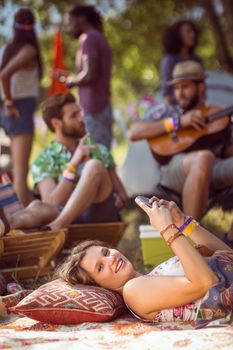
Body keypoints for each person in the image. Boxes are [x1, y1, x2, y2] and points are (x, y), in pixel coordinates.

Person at [57, 196, 233, 328]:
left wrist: (182, 221)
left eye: (106, 252)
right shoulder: (133, 291)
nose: (111, 259)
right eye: (100, 267)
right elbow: (207, 282)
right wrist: (166, 228)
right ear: (99, 286)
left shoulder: (150, 278)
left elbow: (227, 255)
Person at [0, 92, 127, 233]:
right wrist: (74, 163)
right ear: (56, 123)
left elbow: (122, 193)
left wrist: (120, 198)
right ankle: (8, 222)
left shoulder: (99, 149)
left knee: (94, 165)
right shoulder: (44, 160)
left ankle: (58, 225)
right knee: (38, 205)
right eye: (74, 115)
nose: (81, 118)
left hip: (98, 213)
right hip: (68, 218)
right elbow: (52, 203)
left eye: (80, 113)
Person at [128, 60, 233, 221]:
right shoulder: (167, 111)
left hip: (214, 170)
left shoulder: (216, 113)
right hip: (174, 171)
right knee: (203, 157)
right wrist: (178, 122)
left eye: (185, 87)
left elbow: (227, 151)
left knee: (207, 158)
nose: (180, 93)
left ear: (201, 87)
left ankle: (230, 238)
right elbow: (134, 132)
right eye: (176, 88)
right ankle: (189, 236)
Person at [0, 7, 43, 206]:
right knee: (21, 172)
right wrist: (9, 102)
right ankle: (24, 219)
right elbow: (4, 75)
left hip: (15, 107)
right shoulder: (28, 50)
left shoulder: (10, 49)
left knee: (18, 171)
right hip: (20, 107)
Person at [58, 4, 113, 149]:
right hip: (101, 104)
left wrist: (71, 81)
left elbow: (90, 75)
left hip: (95, 107)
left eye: (70, 23)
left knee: (98, 154)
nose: (69, 28)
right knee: (101, 153)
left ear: (81, 18)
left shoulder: (89, 38)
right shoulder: (96, 37)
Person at [160, 20, 202, 105]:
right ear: (178, 35)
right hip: (178, 108)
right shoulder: (169, 60)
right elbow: (166, 91)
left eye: (193, 31)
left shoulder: (196, 59)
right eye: (188, 31)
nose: (193, 34)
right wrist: (176, 116)